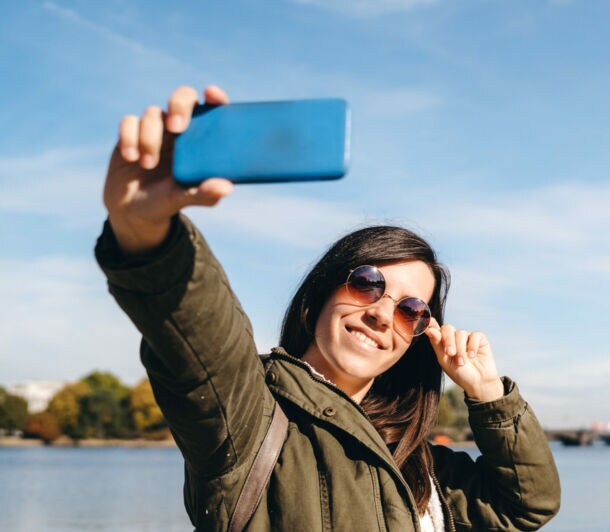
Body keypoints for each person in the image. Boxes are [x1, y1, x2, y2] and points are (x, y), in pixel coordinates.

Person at [95, 85, 561, 531]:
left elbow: (526, 505)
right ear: (321, 291)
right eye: (367, 283)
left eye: (411, 309)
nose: (382, 314)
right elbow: (201, 334)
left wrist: (489, 395)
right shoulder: (249, 419)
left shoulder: (420, 464)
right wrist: (146, 231)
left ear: (419, 335)